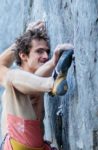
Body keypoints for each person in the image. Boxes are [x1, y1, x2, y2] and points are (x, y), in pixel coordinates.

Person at [0, 21, 74, 150]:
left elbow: (37, 77)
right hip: (18, 141)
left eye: (47, 52)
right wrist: (22, 40)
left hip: (36, 145)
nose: (45, 55)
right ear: (23, 55)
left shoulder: (36, 81)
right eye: (39, 51)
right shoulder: (15, 87)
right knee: (11, 79)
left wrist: (54, 62)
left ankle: (52, 81)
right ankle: (52, 82)